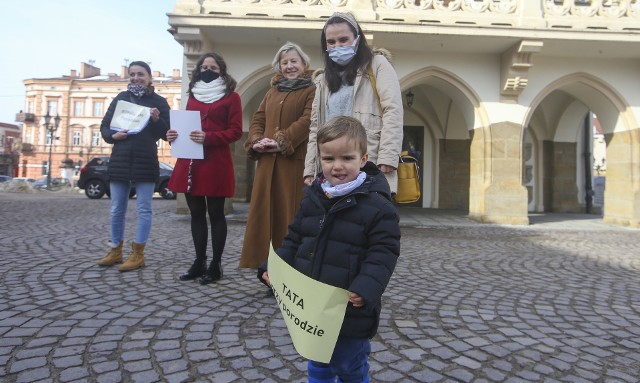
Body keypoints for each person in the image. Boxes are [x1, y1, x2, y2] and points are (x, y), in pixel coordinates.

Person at [260, 116, 401, 383]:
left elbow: (383, 253)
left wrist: (365, 288)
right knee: (318, 366)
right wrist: (274, 268)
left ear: (363, 159)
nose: (337, 166)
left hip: (349, 308)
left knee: (350, 365)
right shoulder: (314, 197)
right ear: (319, 159)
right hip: (314, 306)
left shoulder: (378, 206)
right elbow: (295, 238)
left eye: (347, 158)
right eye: (328, 159)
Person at [304, 11, 404, 193]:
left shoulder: (377, 64)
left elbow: (393, 110)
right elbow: (315, 127)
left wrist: (388, 157)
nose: (337, 46)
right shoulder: (323, 79)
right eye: (331, 42)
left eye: (343, 39)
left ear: (357, 39)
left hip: (368, 162)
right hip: (330, 169)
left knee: (367, 217)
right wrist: (310, 168)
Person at [167, 52, 242, 285]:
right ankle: (199, 261)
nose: (208, 70)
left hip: (216, 162)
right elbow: (185, 127)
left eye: (213, 67)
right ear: (198, 70)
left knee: (217, 214)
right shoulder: (193, 97)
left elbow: (236, 131)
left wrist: (209, 137)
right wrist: (172, 135)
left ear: (221, 71)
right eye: (204, 66)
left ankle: (215, 264)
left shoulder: (232, 97)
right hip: (190, 163)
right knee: (196, 214)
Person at [239, 42, 316, 269]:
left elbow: (308, 119)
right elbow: (258, 119)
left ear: (304, 64)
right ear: (279, 66)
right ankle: (265, 268)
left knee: (288, 217)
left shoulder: (312, 89)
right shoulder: (272, 92)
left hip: (293, 164)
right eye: (285, 62)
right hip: (266, 165)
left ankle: (289, 270)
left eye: (294, 61)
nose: (289, 66)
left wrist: (281, 141)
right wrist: (257, 140)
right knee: (263, 218)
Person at [97, 61, 170, 272]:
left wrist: (156, 120)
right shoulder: (121, 98)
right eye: (132, 74)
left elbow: (167, 134)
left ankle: (138, 254)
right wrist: (113, 135)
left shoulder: (159, 101)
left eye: (140, 74)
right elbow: (104, 126)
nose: (136, 78)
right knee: (116, 209)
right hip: (120, 159)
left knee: (144, 209)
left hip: (146, 160)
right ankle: (115, 250)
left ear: (149, 77)